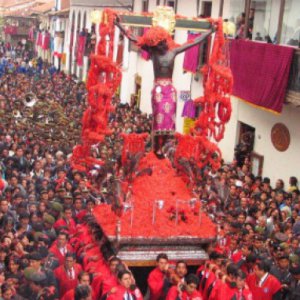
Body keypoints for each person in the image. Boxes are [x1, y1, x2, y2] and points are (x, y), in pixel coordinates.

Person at [114, 17, 212, 158]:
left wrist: (209, 31)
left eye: (160, 43)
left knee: (169, 119)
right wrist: (119, 24)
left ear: (165, 40)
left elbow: (194, 42)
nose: (158, 46)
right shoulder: (153, 51)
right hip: (159, 88)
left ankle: (167, 145)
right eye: (155, 44)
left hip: (170, 90)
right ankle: (156, 148)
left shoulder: (174, 51)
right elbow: (133, 38)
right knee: (159, 118)